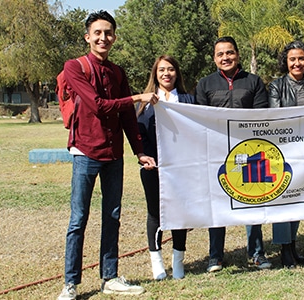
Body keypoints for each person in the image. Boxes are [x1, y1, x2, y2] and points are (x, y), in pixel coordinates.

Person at [58, 10, 159, 300]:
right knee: (79, 218)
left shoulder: (117, 72)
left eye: (109, 33)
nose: (104, 38)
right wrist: (138, 97)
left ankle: (110, 276)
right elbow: (98, 105)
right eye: (98, 33)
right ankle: (70, 284)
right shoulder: (74, 67)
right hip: (86, 152)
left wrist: (139, 151)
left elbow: (127, 116)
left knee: (112, 216)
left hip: (114, 155)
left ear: (114, 37)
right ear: (88, 37)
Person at [195, 36, 271, 272]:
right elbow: (198, 119)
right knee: (217, 204)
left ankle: (257, 253)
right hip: (216, 153)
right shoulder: (204, 84)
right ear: (214, 58)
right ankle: (215, 257)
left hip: (248, 153)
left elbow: (262, 116)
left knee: (251, 202)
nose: (225, 57)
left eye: (229, 53)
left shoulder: (254, 81)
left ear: (237, 55)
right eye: (220, 54)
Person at [137, 55, 195, 280]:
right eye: (161, 70)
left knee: (180, 213)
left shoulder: (189, 100)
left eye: (171, 69)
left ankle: (178, 262)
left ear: (177, 73)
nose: (166, 74)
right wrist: (147, 158)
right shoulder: (143, 103)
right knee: (155, 214)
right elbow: (139, 134)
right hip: (153, 167)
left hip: (183, 167)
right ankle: (157, 263)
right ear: (155, 74)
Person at [268, 40, 304, 268]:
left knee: (298, 199)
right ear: (286, 62)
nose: (297, 63)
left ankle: (292, 246)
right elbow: (275, 117)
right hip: (283, 151)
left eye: (301, 58)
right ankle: (284, 250)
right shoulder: (276, 86)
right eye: (292, 59)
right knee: (282, 201)